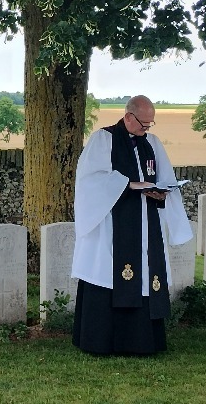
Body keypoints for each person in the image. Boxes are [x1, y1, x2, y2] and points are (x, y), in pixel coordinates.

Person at [71, 95, 192, 356]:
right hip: (113, 227)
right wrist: (128, 184)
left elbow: (164, 177)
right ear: (128, 116)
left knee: (146, 274)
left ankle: (142, 341)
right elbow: (90, 180)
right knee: (110, 274)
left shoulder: (153, 143)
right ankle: (103, 341)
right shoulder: (103, 140)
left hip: (146, 223)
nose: (146, 129)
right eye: (142, 124)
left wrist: (162, 193)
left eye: (150, 125)